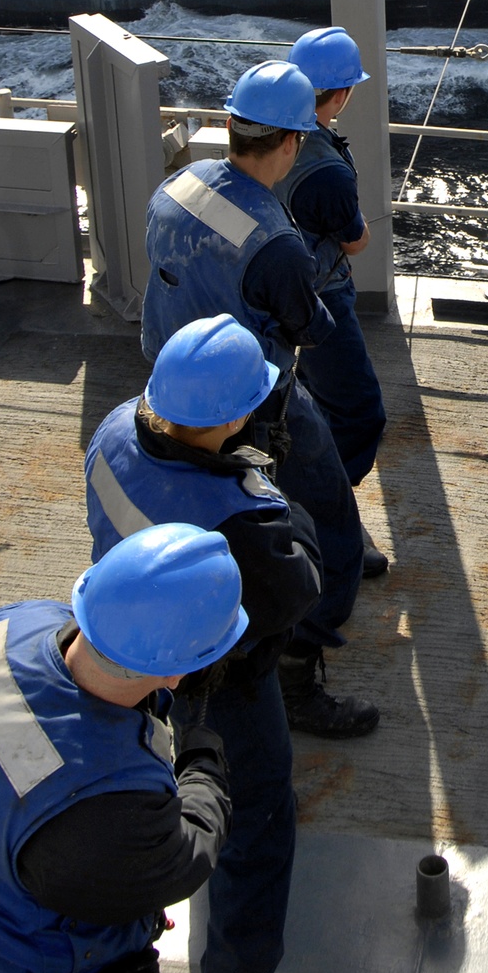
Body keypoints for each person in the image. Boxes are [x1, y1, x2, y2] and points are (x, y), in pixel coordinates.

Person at [85, 314, 357, 973]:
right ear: (236, 413)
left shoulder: (115, 429)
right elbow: (296, 592)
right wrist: (273, 496)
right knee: (255, 820)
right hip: (215, 676)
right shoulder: (238, 513)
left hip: (120, 638)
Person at [141, 60, 379, 741]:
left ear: (228, 126)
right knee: (326, 523)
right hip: (252, 400)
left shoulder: (176, 185)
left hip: (168, 390)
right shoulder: (276, 242)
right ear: (292, 143)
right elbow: (307, 326)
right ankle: (299, 676)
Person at [0, 523, 247, 973]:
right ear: (173, 675)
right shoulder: (108, 813)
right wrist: (203, 770)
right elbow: (185, 854)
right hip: (41, 971)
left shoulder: (21, 621)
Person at [276, 27, 388, 575]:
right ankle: (325, 516)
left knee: (313, 407)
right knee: (361, 414)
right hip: (323, 300)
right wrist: (361, 228)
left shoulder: (275, 139)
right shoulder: (328, 170)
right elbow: (355, 240)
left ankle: (311, 503)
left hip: (282, 292)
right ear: (341, 94)